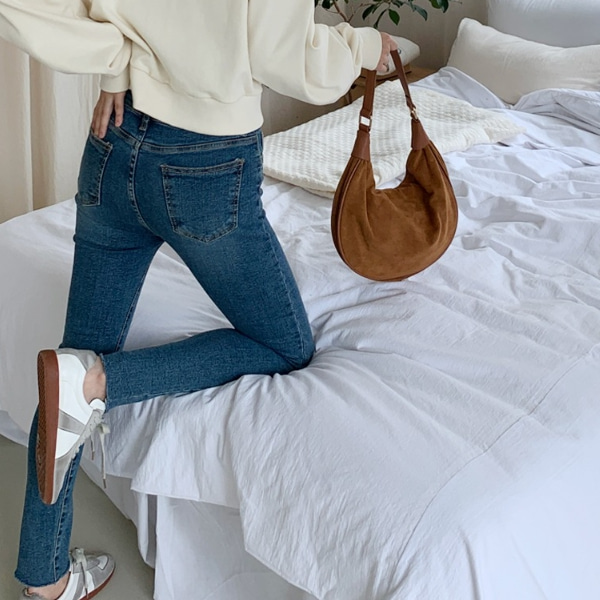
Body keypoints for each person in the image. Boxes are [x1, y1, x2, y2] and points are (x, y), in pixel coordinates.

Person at [0, 1, 397, 598]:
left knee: (72, 360)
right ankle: (99, 382)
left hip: (115, 140)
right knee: (284, 344)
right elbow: (289, 59)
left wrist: (117, 68)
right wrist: (363, 47)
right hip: (205, 166)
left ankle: (44, 578)